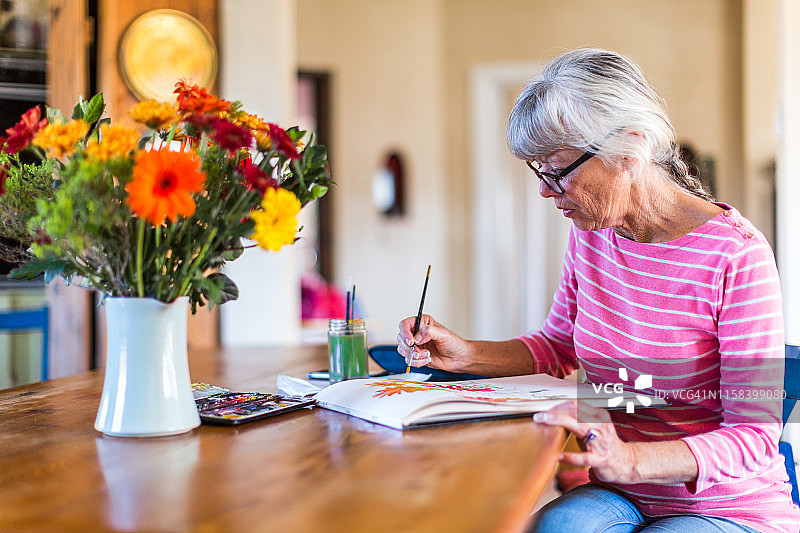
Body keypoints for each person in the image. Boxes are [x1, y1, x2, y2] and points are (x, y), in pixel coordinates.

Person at [397, 48, 800, 533]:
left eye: (558, 169)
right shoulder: (591, 234)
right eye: (538, 171)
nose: (546, 191)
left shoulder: (736, 254)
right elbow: (558, 346)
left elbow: (755, 435)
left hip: (728, 505)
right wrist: (464, 354)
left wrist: (628, 459)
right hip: (623, 492)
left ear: (628, 148)